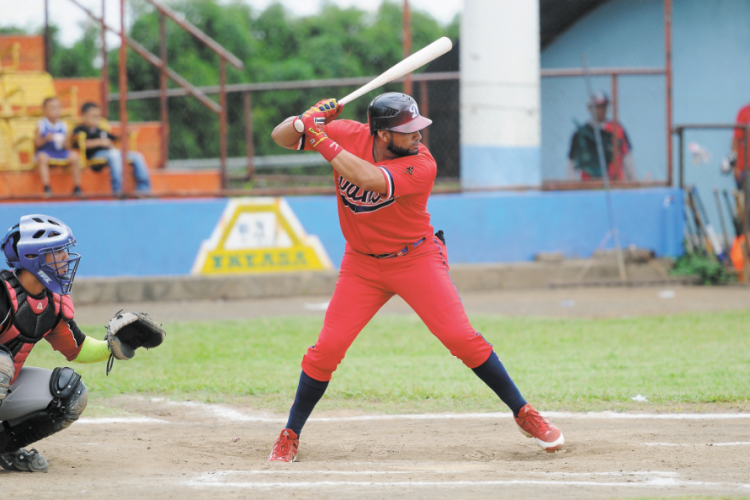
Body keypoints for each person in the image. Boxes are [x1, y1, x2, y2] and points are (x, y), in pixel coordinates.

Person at [266, 93, 565, 463]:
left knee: (461, 337)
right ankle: (290, 433)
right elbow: (280, 137)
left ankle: (524, 413)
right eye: (407, 131)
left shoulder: (422, 164)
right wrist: (303, 121)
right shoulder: (347, 133)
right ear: (381, 134)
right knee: (327, 349)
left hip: (415, 257)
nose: (418, 136)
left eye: (418, 128)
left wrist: (319, 135)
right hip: (361, 264)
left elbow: (368, 178)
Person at [0, 214, 160, 472]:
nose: (66, 257)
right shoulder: (3, 294)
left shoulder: (51, 303)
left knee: (70, 393)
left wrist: (114, 345)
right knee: (1, 362)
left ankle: (4, 450)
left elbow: (77, 348)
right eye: (58, 251)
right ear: (32, 257)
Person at [72, 102, 151, 194]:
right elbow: (77, 143)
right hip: (94, 155)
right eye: (93, 116)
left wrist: (125, 134)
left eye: (98, 116)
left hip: (112, 153)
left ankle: (144, 190)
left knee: (137, 156)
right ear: (84, 116)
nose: (97, 119)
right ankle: (118, 190)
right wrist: (99, 142)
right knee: (114, 155)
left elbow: (114, 139)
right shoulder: (79, 129)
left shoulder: (100, 130)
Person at [567, 91, 636, 181]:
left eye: (604, 106)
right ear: (589, 108)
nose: (601, 110)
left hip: (615, 183)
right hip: (589, 185)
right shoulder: (581, 133)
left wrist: (633, 181)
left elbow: (627, 157)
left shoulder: (617, 129)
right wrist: (573, 186)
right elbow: (571, 162)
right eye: (598, 106)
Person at [34, 97, 82, 196]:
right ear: (44, 110)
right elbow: (36, 144)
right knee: (42, 157)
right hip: (46, 151)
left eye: (57, 107)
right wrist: (46, 139)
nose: (55, 110)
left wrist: (65, 143)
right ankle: (46, 186)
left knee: (75, 157)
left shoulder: (64, 125)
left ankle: (77, 186)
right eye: (52, 108)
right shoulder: (41, 125)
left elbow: (68, 145)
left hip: (60, 152)